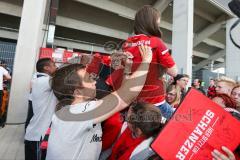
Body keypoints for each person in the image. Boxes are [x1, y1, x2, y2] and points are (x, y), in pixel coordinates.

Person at [46, 45, 152, 160]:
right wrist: (146, 61)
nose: (94, 82)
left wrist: (127, 69)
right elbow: (126, 96)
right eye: (88, 79)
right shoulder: (76, 114)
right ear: (77, 92)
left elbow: (120, 93)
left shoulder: (72, 109)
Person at [106, 5, 177, 119]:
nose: (159, 22)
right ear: (152, 21)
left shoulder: (127, 44)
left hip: (133, 101)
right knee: (179, 124)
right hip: (155, 100)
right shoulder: (156, 42)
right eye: (158, 19)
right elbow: (174, 72)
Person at [25, 58, 57, 160]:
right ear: (46, 68)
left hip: (35, 133)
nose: (56, 67)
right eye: (54, 65)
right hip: (38, 135)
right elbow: (64, 80)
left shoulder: (39, 80)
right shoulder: (45, 81)